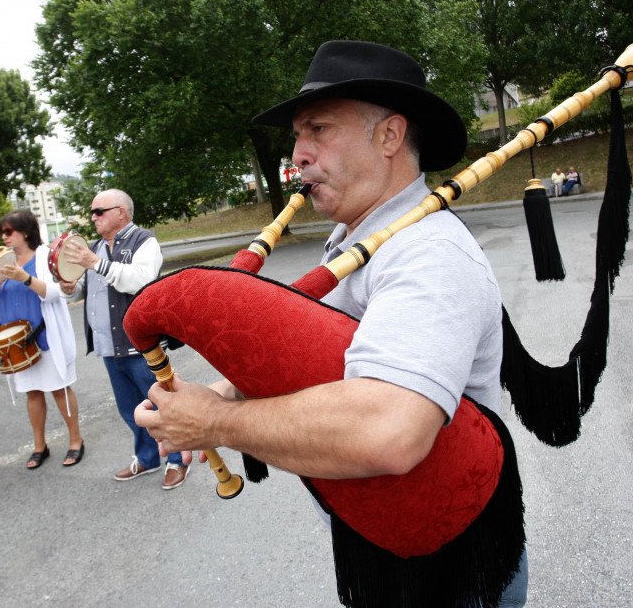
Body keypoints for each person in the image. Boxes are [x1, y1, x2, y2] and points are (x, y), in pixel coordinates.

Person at [133, 41, 527, 604]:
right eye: (298, 137)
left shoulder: (428, 254)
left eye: (318, 129)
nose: (298, 155)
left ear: (390, 137)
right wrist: (216, 394)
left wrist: (217, 423)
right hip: (381, 547)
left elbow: (389, 432)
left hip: (446, 571)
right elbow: (324, 357)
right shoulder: (353, 241)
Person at [59, 189, 189, 491]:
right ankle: (147, 458)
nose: (93, 217)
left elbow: (141, 279)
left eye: (99, 211)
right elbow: (81, 289)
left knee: (162, 407)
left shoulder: (144, 240)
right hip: (108, 346)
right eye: (92, 212)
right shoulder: (93, 247)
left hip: (141, 346)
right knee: (130, 409)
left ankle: (177, 461)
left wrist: (96, 264)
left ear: (121, 212)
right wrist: (68, 287)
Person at [0, 210, 84, 470]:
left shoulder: (44, 257)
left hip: (43, 337)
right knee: (33, 393)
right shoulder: (1, 260)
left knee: (59, 390)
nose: (4, 237)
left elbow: (55, 293)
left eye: (9, 231)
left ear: (25, 231)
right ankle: (40, 445)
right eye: (2, 232)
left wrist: (24, 278)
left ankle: (76, 440)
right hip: (16, 344)